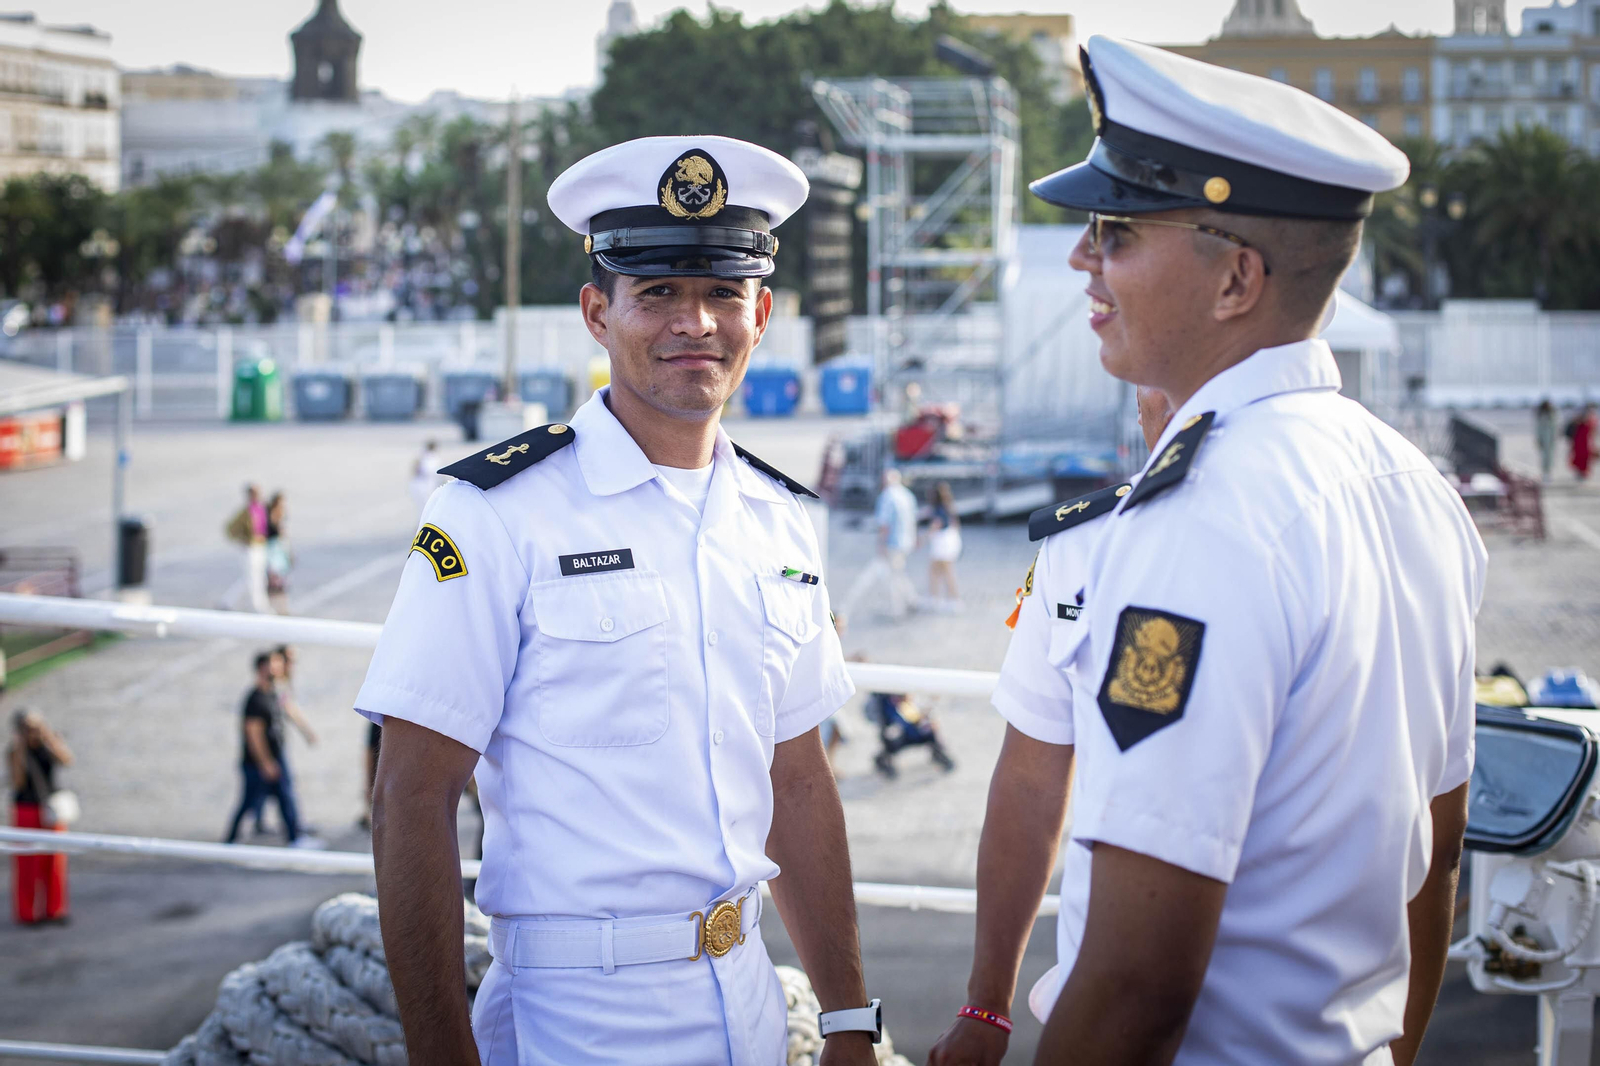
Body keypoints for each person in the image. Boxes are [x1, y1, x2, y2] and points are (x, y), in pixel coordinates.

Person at [931, 38, 1486, 1066]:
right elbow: (1437, 847)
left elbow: (1138, 984)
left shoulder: (1202, 519)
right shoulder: (1416, 489)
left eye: (1117, 232)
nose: (1081, 260)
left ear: (1235, 279)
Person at [358, 135, 880, 1066]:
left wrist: (844, 1018)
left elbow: (797, 778)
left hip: (752, 1001)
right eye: (659, 294)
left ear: (762, 312)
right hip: (581, 1018)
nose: (696, 323)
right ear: (599, 313)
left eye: (723, 293)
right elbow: (411, 795)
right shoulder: (496, 515)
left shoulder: (780, 519)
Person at [225, 650, 322, 849]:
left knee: (285, 797)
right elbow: (254, 735)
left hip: (275, 757)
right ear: (263, 668)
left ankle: (294, 837)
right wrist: (266, 763)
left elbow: (289, 709)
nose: (280, 668)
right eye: (275, 664)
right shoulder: (255, 699)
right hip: (258, 763)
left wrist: (307, 732)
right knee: (249, 802)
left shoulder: (275, 692)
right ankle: (230, 841)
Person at [9, 709, 73, 925]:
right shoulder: (16, 750)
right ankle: (27, 912)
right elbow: (17, 781)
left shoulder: (48, 743)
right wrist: (20, 748)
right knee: (27, 862)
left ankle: (55, 909)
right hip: (26, 808)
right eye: (28, 728)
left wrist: (48, 737)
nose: (33, 732)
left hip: (50, 808)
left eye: (37, 726)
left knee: (55, 861)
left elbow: (66, 760)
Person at [837, 468, 920, 623]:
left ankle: (898, 609)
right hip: (906, 541)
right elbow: (913, 519)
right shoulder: (907, 495)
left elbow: (884, 525)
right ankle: (912, 599)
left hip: (893, 543)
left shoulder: (887, 497)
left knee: (893, 575)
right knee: (898, 571)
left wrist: (881, 544)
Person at [866, 692, 954, 778]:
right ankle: (883, 760)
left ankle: (937, 752)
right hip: (896, 731)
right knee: (890, 738)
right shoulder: (883, 702)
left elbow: (921, 712)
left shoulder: (911, 699)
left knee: (929, 729)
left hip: (913, 726)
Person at [220, 484, 270, 613]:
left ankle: (227, 602)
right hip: (250, 549)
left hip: (261, 548)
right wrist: (242, 539)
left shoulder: (261, 509)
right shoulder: (246, 512)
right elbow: (230, 529)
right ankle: (259, 607)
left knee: (256, 578)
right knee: (251, 579)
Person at [925, 481, 963, 611]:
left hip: (942, 542)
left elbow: (936, 524)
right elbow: (955, 524)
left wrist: (923, 538)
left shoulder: (938, 508)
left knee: (944, 571)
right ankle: (939, 598)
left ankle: (948, 600)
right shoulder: (949, 505)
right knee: (938, 571)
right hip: (950, 539)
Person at [265, 492, 292, 614]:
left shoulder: (280, 515)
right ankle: (274, 608)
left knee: (281, 579)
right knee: (274, 579)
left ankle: (282, 608)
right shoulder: (271, 515)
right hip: (273, 549)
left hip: (280, 549)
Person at [410, 439, 445, 516]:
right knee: (425, 506)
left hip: (426, 485)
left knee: (425, 506)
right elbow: (428, 471)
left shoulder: (425, 456)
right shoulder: (429, 457)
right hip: (422, 485)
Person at [1569, 403, 1597, 481]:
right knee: (1579, 456)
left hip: (1586, 441)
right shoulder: (1579, 419)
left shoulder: (1591, 418)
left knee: (1586, 457)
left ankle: (1584, 472)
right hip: (1579, 440)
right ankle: (1579, 472)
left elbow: (1593, 429)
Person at [1536, 399, 1558, 482]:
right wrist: (1538, 439)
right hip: (1544, 438)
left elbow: (1555, 427)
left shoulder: (1552, 415)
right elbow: (1538, 429)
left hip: (1550, 439)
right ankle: (1545, 473)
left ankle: (1548, 473)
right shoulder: (1541, 415)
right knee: (1544, 457)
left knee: (1550, 457)